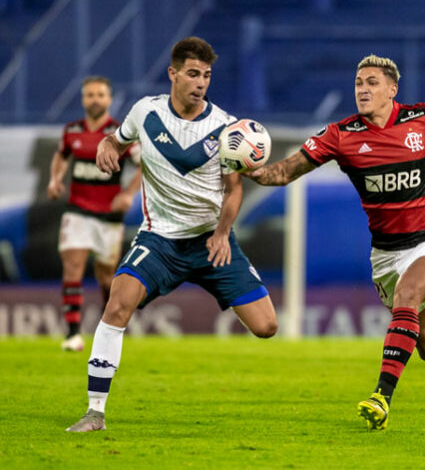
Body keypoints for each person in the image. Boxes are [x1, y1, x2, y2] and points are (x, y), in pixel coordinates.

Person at [245, 54, 425, 430]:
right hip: (387, 255)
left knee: (408, 296)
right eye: (358, 83)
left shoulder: (421, 118)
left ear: (392, 89)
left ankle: (381, 397)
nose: (363, 90)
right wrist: (251, 170)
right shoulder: (340, 135)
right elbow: (286, 171)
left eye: (372, 82)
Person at [67, 36, 277, 432]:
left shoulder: (226, 128)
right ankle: (95, 411)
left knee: (267, 326)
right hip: (159, 241)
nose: (201, 83)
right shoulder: (145, 113)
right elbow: (117, 139)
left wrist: (222, 232)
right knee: (116, 305)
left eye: (207, 76)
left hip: (211, 242)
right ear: (174, 73)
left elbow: (234, 191)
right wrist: (106, 147)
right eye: (194, 74)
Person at [47, 76, 141, 352]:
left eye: (100, 94)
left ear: (109, 99)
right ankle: (73, 334)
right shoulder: (72, 130)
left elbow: (143, 164)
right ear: (83, 99)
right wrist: (55, 179)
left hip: (109, 216)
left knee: (106, 277)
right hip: (77, 210)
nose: (95, 99)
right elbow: (62, 155)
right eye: (90, 95)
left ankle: (107, 328)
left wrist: (127, 195)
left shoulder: (119, 133)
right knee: (72, 268)